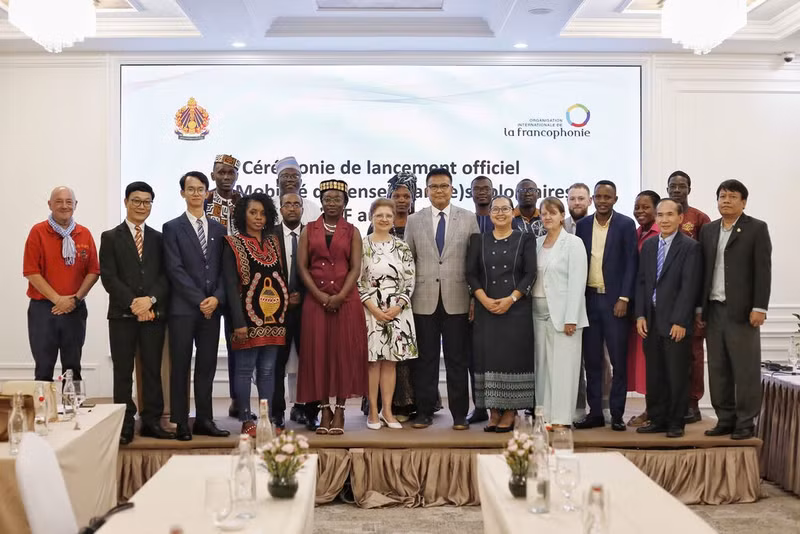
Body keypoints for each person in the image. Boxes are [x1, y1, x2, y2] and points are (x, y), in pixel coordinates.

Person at [405, 168, 480, 430]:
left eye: (444, 186)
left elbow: (474, 262)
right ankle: (424, 412)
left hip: (457, 299)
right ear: (426, 190)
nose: (439, 190)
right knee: (425, 360)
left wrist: (473, 297)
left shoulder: (468, 218)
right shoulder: (414, 220)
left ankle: (459, 415)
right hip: (422, 299)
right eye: (434, 186)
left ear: (452, 189)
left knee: (457, 359)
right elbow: (408, 262)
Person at [99, 181, 174, 444]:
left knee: (152, 370)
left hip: (153, 316)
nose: (142, 206)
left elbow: (166, 276)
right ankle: (125, 424)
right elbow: (109, 277)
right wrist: (135, 303)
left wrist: (149, 301)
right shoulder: (110, 237)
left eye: (147, 202)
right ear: (126, 202)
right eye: (136, 201)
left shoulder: (159, 238)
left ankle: (152, 421)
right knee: (123, 371)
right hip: (122, 316)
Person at [699, 180, 771, 441]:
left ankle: (745, 422)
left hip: (743, 312)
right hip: (714, 310)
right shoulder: (708, 230)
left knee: (745, 369)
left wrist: (759, 307)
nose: (726, 201)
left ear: (744, 202)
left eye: (732, 196)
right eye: (722, 196)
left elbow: (763, 271)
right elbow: (702, 271)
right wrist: (700, 308)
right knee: (718, 369)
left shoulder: (756, 228)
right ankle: (725, 419)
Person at [296, 179, 368, 435]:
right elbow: (302, 267)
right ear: (321, 202)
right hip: (315, 303)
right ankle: (324, 409)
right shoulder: (309, 230)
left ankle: (340, 410)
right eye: (327, 199)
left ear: (345, 203)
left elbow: (355, 268)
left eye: (337, 199)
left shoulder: (352, 231)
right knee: (319, 355)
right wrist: (319, 295)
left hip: (346, 301)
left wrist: (339, 296)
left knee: (343, 355)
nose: (332, 203)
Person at [163, 171, 229, 441]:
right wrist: (199, 299)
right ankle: (181, 421)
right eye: (190, 189)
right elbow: (174, 269)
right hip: (183, 309)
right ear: (182, 193)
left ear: (207, 193)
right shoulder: (171, 228)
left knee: (206, 366)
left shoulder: (219, 229)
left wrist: (217, 298)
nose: (195, 193)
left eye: (200, 189)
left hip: (211, 310)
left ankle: (204, 419)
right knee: (180, 366)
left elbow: (225, 270)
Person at [466, 195, 537, 432]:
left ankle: (510, 411)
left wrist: (511, 299)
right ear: (489, 214)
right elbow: (471, 274)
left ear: (512, 212)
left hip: (516, 309)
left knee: (511, 359)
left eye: (505, 209)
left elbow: (530, 273)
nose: (500, 213)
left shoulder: (525, 239)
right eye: (495, 209)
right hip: (486, 309)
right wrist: (484, 300)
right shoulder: (479, 240)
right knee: (488, 359)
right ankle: (493, 411)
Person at [223, 193, 288, 437]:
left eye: (262, 213)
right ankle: (245, 419)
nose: (258, 217)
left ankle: (265, 419)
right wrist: (238, 322)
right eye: (253, 213)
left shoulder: (273, 243)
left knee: (268, 371)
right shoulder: (232, 243)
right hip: (245, 320)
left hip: (274, 320)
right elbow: (230, 286)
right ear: (243, 215)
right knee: (244, 369)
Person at [635, 199, 701, 438]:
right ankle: (657, 419)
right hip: (651, 320)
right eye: (660, 215)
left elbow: (689, 287)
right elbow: (642, 281)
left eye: (669, 215)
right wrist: (640, 314)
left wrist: (681, 321)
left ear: (680, 218)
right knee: (655, 374)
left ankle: (675, 423)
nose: (664, 219)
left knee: (676, 375)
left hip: (675, 322)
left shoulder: (690, 247)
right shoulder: (649, 245)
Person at [575, 180, 638, 432]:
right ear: (592, 199)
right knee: (592, 362)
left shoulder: (625, 224)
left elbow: (631, 263)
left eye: (607, 197)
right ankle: (595, 413)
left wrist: (624, 298)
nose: (602, 201)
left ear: (615, 199)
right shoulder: (582, 226)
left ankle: (617, 413)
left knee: (618, 362)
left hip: (615, 303)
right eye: (598, 197)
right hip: (589, 300)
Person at [23, 186, 100, 382]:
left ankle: (71, 402)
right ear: (50, 204)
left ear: (75, 205)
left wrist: (74, 300)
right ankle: (44, 402)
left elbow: (93, 271)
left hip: (75, 308)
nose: (64, 206)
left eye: (68, 201)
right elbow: (31, 272)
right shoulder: (38, 232)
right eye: (59, 201)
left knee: (73, 367)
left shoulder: (84, 233)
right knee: (43, 367)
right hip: (43, 309)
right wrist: (58, 300)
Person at [359, 198, 418, 430]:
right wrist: (374, 308)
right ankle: (373, 411)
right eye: (379, 215)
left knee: (391, 363)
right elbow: (357, 281)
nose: (384, 219)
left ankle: (387, 411)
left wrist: (398, 306)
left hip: (397, 312)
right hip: (370, 311)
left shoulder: (402, 247)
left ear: (394, 219)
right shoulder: (361, 245)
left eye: (388, 216)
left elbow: (410, 280)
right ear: (371, 217)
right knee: (373, 363)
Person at [533, 197, 588, 427]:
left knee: (564, 368)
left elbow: (578, 282)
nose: (547, 217)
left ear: (562, 215)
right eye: (544, 213)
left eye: (552, 213)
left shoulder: (573, 243)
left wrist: (571, 318)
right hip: (536, 313)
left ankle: (562, 419)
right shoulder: (537, 243)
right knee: (542, 368)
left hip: (565, 316)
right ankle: (543, 416)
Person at [667, 170, 712, 424]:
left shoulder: (700, 218)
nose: (677, 190)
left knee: (694, 354)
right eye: (672, 186)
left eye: (681, 186)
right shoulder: (664, 216)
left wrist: (701, 305)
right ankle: (673, 402)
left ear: (689, 189)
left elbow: (707, 261)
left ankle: (693, 403)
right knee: (671, 355)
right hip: (667, 300)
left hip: (694, 299)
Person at [272, 192, 319, 431]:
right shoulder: (269, 235)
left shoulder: (313, 235)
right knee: (276, 364)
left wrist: (302, 293)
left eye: (296, 204)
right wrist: (283, 297)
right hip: (275, 311)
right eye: (287, 204)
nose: (292, 208)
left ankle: (311, 413)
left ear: (302, 208)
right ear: (280, 209)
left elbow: (319, 270)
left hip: (308, 308)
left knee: (310, 363)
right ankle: (277, 413)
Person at [204, 154, 242, 418]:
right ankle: (204, 407)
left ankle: (238, 399)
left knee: (237, 343)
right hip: (209, 283)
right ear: (213, 175)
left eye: (231, 173)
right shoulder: (204, 201)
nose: (226, 177)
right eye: (221, 172)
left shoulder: (243, 202)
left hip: (238, 283)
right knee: (207, 346)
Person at [626, 190, 661, 427]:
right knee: (643, 364)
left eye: (645, 207)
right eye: (637, 207)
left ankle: (655, 412)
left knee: (654, 363)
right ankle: (651, 410)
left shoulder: (661, 235)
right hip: (637, 308)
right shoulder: (636, 233)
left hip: (655, 309)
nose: (640, 211)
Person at [274, 156, 322, 225]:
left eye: (295, 176)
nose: (290, 180)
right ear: (277, 182)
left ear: (301, 182)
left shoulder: (313, 208)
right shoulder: (269, 206)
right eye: (285, 176)